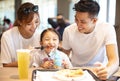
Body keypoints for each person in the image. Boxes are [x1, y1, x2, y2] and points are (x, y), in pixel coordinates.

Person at [61, 0, 119, 80]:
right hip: (76, 72)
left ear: (94, 20)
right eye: (76, 19)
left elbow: (114, 60)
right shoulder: (68, 31)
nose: (78, 24)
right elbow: (64, 57)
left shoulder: (107, 28)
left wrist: (108, 70)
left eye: (83, 22)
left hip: (99, 72)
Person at [1, 2, 40, 67]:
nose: (34, 27)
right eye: (29, 24)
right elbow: (5, 65)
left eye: (36, 22)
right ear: (20, 22)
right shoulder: (7, 36)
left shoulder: (40, 36)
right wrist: (25, 61)